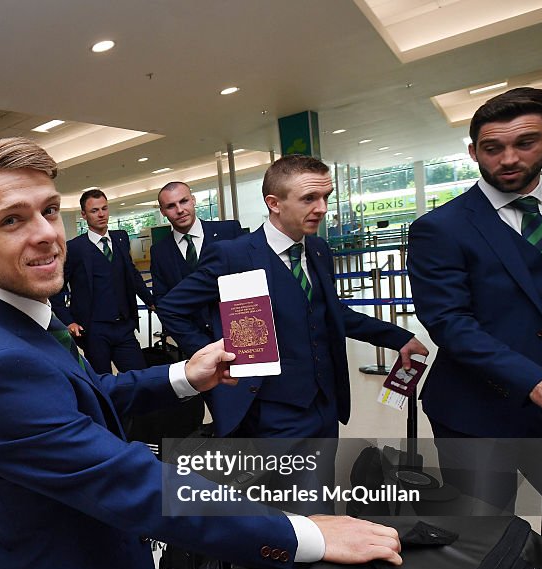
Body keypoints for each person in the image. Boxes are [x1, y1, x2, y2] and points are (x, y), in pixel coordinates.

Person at [0, 137, 402, 569]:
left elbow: (86, 394)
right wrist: (305, 534)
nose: (45, 234)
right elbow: (135, 483)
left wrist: (183, 375)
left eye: (50, 210)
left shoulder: (19, 320)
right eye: (12, 220)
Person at [158, 156, 426, 511]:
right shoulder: (233, 255)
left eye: (326, 197)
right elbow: (173, 306)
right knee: (288, 516)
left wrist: (397, 337)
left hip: (324, 405)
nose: (322, 208)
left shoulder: (317, 249)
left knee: (320, 503)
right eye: (309, 199)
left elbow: (331, 313)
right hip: (271, 411)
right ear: (274, 203)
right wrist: (215, 355)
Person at [408, 87, 542, 527]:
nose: (509, 160)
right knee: (485, 543)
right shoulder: (439, 228)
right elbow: (449, 322)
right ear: (473, 151)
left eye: (525, 143)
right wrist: (535, 380)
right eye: (492, 148)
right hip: (477, 417)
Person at [49, 189, 154, 373]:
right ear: (84, 215)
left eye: (104, 208)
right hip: (93, 330)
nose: (101, 214)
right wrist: (69, 321)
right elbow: (56, 288)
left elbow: (133, 276)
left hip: (124, 326)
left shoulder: (120, 239)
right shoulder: (75, 248)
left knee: (140, 376)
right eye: (94, 210)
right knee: (102, 383)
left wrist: (151, 302)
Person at [150, 181, 245, 344]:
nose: (180, 210)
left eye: (184, 201)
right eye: (171, 206)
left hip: (239, 329)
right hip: (194, 339)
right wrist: (194, 343)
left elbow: (249, 279)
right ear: (163, 211)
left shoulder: (229, 231)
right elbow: (162, 298)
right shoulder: (159, 251)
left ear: (193, 200)